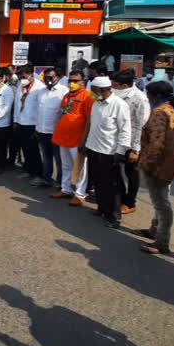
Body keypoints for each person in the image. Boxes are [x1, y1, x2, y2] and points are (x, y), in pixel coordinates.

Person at [133, 81, 174, 255]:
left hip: (158, 165)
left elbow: (156, 144)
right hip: (172, 163)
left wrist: (146, 164)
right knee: (162, 199)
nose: (147, 98)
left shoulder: (159, 113)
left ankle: (162, 241)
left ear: (156, 96)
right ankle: (154, 229)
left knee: (161, 203)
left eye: (148, 94)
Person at [81, 76, 131, 229]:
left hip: (110, 152)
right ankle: (102, 209)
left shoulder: (119, 105)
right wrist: (86, 144)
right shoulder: (96, 103)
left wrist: (121, 151)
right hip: (94, 148)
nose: (91, 93)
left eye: (93, 91)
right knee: (97, 181)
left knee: (112, 185)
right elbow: (93, 126)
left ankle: (114, 216)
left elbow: (125, 130)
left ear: (102, 90)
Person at [50, 71, 94, 206]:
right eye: (70, 80)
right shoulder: (67, 96)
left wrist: (84, 139)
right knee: (66, 165)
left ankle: (80, 194)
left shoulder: (89, 96)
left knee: (79, 168)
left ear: (83, 82)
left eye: (76, 81)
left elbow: (90, 120)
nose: (72, 83)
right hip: (63, 136)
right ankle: (66, 189)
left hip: (77, 138)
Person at [111, 69, 151, 215]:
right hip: (117, 139)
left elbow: (142, 124)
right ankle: (119, 198)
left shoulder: (140, 99)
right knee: (115, 170)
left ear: (124, 85)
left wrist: (136, 149)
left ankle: (130, 202)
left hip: (132, 141)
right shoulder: (115, 96)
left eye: (115, 85)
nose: (112, 88)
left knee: (131, 173)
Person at [33, 68, 68, 187]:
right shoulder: (41, 92)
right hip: (41, 130)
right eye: (46, 77)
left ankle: (60, 182)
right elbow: (38, 110)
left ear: (57, 77)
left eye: (51, 77)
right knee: (46, 157)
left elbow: (65, 113)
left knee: (59, 159)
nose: (48, 80)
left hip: (55, 132)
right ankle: (47, 178)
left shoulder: (64, 92)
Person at [14, 65, 45, 179]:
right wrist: (15, 121)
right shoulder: (20, 86)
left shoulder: (39, 87)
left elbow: (41, 107)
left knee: (34, 150)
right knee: (25, 148)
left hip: (33, 123)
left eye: (24, 76)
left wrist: (38, 125)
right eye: (21, 76)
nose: (22, 79)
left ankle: (37, 173)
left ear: (31, 75)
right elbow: (17, 104)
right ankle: (28, 170)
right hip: (21, 122)